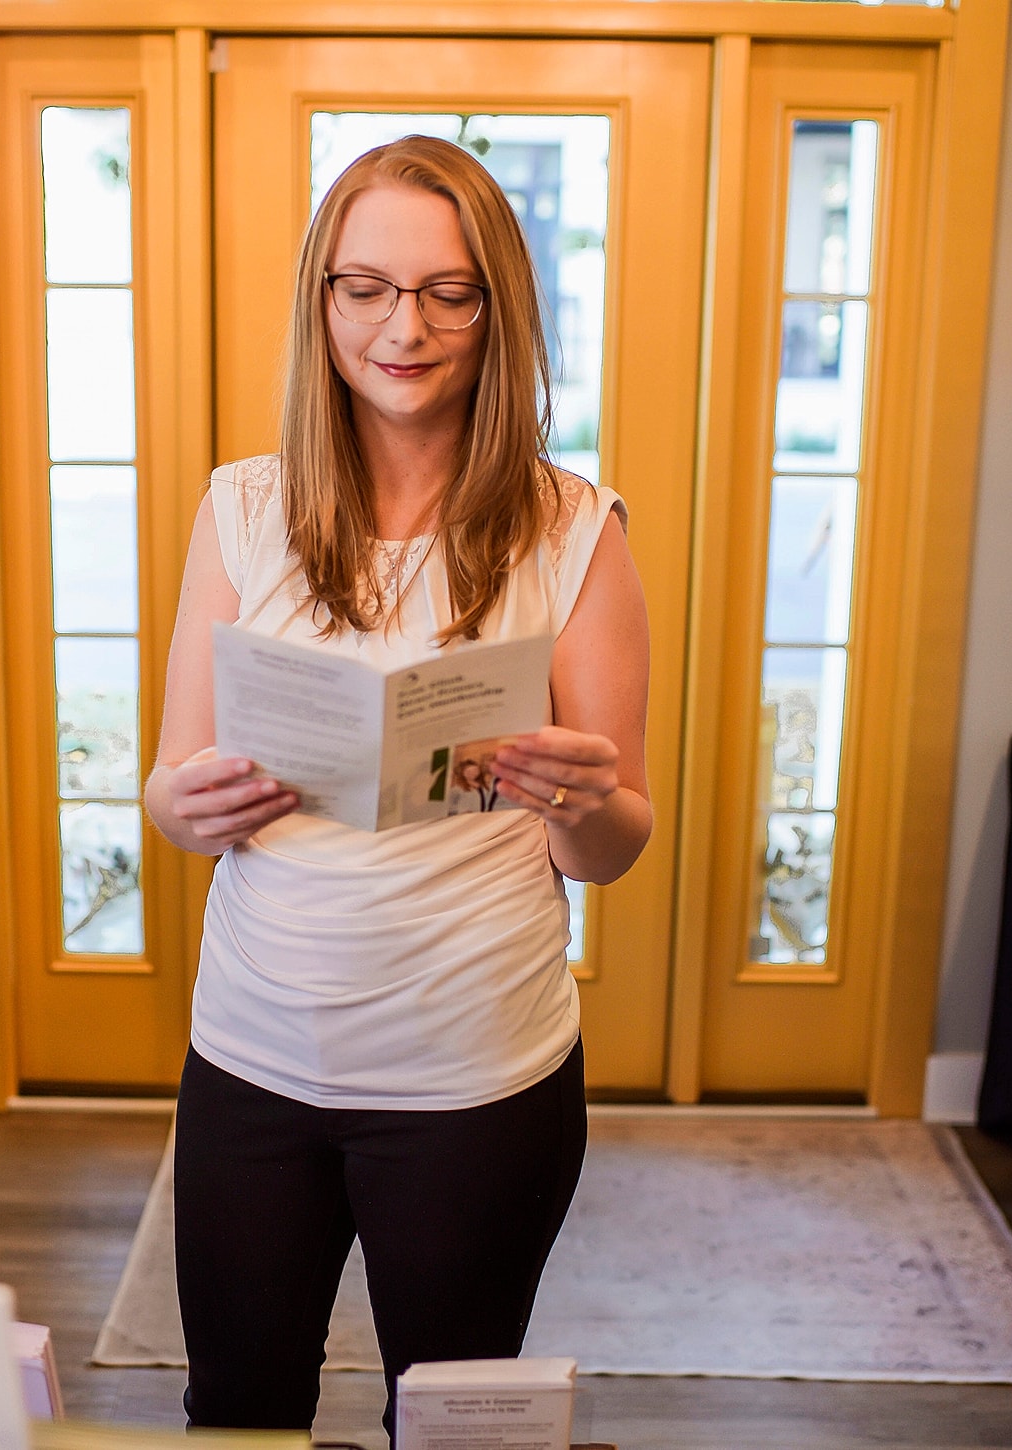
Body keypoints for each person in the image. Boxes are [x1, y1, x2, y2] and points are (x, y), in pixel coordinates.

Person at [144, 134, 651, 1440]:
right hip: (253, 1057)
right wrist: (186, 808)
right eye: (365, 287)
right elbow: (170, 785)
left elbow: (610, 847)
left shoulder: (574, 531)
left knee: (447, 1419)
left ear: (499, 311)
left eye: (447, 293)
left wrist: (578, 799)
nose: (402, 327)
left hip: (477, 1074)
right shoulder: (242, 509)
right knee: (238, 1410)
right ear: (323, 300)